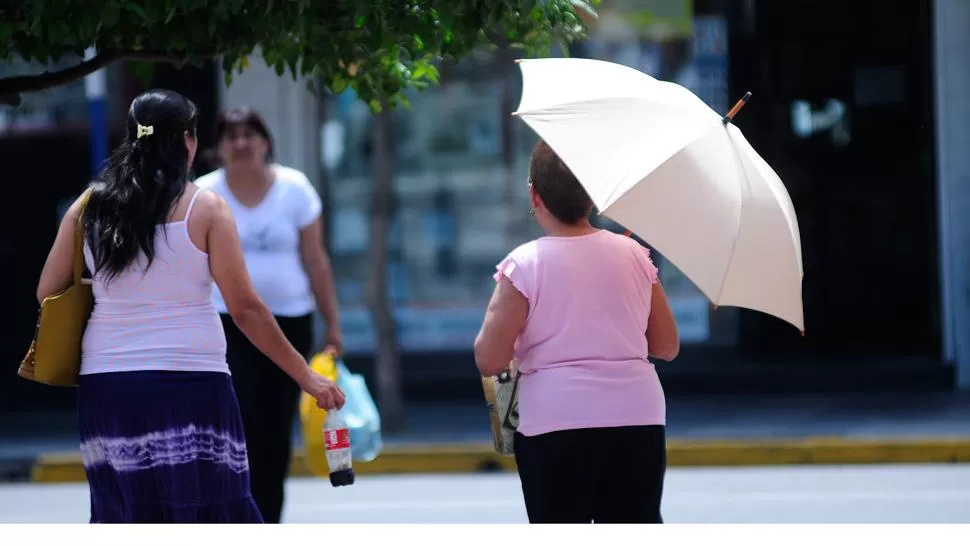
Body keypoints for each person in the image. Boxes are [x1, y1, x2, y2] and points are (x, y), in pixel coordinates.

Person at [35, 89, 345, 523]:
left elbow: (47, 290)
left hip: (108, 384)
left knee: (124, 511)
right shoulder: (205, 207)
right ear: (188, 141)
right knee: (208, 510)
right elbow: (245, 310)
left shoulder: (89, 206)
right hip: (191, 381)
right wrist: (306, 376)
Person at [473, 140, 681, 524]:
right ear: (592, 198)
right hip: (637, 417)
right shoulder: (634, 254)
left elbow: (489, 357)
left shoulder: (524, 265)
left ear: (535, 196)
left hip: (555, 422)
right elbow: (667, 346)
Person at [194, 106, 343, 523]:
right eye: (231, 136)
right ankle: (231, 517)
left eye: (250, 134)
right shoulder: (204, 194)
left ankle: (266, 522)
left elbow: (316, 261)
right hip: (226, 326)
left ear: (266, 142)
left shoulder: (295, 189)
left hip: (289, 324)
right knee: (236, 426)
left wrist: (333, 323)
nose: (241, 143)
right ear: (218, 147)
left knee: (275, 431)